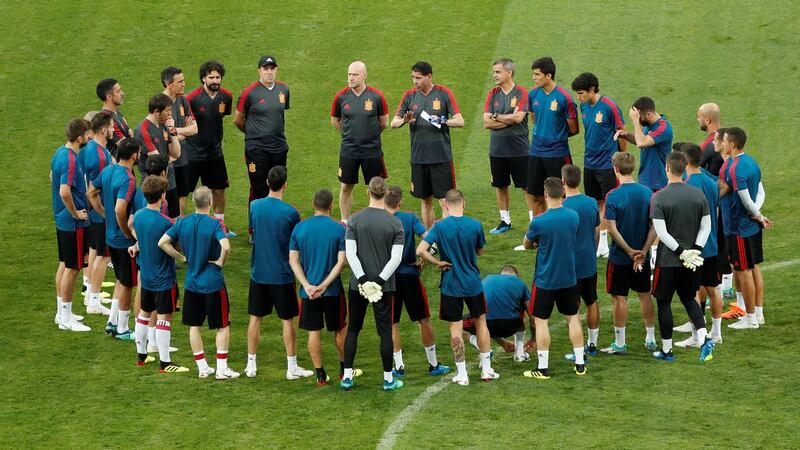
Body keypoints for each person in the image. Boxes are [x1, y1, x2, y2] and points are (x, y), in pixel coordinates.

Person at [417, 189, 499, 386]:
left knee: (455, 328)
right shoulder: (475, 224)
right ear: (464, 203)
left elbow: (420, 250)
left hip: (451, 283)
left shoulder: (440, 227)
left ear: (445, 205)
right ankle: (486, 370)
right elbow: (480, 250)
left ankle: (462, 374)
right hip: (473, 282)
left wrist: (437, 263)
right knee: (481, 322)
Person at [159, 187, 237, 379]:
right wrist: (220, 262)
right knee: (222, 325)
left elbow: (162, 242)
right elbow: (226, 247)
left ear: (194, 202)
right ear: (210, 203)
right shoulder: (216, 224)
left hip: (192, 282)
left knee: (194, 325)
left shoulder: (182, 222)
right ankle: (221, 369)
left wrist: (181, 258)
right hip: (213, 283)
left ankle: (202, 367)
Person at [245, 166, 313, 380]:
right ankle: (291, 367)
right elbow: (298, 243)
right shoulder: (291, 213)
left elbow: (253, 232)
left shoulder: (254, 206)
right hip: (282, 275)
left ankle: (251, 365)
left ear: (267, 182)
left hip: (259, 272)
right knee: (287, 321)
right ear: (285, 184)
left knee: (255, 318)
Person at [650, 151, 715, 362]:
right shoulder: (698, 194)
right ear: (685, 167)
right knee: (689, 298)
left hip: (668, 261)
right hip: (694, 260)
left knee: (664, 303)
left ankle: (667, 350)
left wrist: (681, 252)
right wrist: (694, 249)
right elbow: (706, 226)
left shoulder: (659, 197)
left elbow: (661, 233)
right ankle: (705, 339)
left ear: (667, 169)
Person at [342, 177, 405, 391]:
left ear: (368, 193)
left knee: (353, 329)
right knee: (385, 332)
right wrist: (377, 282)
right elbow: (395, 259)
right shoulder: (395, 223)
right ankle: (388, 379)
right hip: (384, 288)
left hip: (357, 286)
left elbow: (351, 254)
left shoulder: (354, 220)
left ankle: (347, 376)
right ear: (386, 194)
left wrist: (362, 281)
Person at [518, 178, 585, 379]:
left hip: (545, 279)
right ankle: (580, 363)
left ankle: (543, 367)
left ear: (546, 195)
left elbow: (527, 244)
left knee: (541, 321)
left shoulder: (539, 221)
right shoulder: (573, 216)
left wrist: (539, 241)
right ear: (563, 193)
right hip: (568, 278)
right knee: (573, 318)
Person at [384, 185, 450, 377]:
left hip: (388, 278)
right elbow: (431, 242)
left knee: (392, 322)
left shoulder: (379, 220)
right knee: (423, 319)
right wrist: (425, 257)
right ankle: (433, 364)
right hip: (410, 276)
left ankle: (399, 366)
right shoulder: (409, 218)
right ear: (400, 202)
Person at [391, 61, 465, 229]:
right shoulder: (409, 96)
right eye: (413, 78)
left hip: (440, 157)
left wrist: (444, 121)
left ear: (429, 76)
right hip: (419, 157)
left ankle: (445, 237)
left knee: (444, 201)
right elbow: (393, 123)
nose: (415, 82)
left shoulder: (444, 93)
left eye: (418, 78)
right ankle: (431, 238)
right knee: (425, 201)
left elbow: (460, 121)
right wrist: (404, 120)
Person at [288, 189, 349, 385]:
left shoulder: (299, 228)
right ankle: (344, 369)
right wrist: (323, 285)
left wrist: (307, 285)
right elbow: (341, 262)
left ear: (314, 204)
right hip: (332, 291)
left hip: (309, 293)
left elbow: (293, 260)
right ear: (331, 206)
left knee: (313, 332)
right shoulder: (339, 229)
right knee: (339, 329)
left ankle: (320, 374)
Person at [130, 175, 188, 373]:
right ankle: (165, 362)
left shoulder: (138, 216)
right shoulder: (166, 222)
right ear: (163, 195)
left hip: (145, 275)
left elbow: (138, 233)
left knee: (144, 315)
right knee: (164, 318)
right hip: (163, 278)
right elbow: (174, 243)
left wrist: (136, 245)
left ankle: (141, 356)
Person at [602, 152, 657, 354]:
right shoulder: (648, 193)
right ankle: (650, 339)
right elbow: (654, 227)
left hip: (619, 258)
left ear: (615, 169)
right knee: (645, 296)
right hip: (643, 257)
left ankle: (620, 342)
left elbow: (612, 229)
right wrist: (642, 251)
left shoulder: (613, 195)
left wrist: (629, 251)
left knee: (619, 298)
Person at [87, 139, 141, 340]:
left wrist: (103, 213)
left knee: (120, 279)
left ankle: (112, 322)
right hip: (122, 240)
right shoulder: (128, 178)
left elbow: (91, 192)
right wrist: (126, 231)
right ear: (134, 155)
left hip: (110, 235)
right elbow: (120, 209)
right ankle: (122, 328)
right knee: (127, 283)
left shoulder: (108, 170)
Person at [720, 127, 771, 329]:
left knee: (743, 271)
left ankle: (750, 318)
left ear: (732, 145)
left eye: (724, 141)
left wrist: (758, 215)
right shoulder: (752, 162)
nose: (722, 143)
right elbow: (760, 192)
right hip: (750, 226)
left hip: (738, 227)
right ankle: (757, 314)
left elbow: (745, 198)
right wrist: (757, 214)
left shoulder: (734, 168)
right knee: (753, 267)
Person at [570, 72, 626, 257]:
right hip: (589, 163)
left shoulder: (609, 106)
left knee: (608, 203)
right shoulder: (584, 106)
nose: (579, 97)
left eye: (581, 93)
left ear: (592, 89)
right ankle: (599, 241)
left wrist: (621, 157)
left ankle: (603, 244)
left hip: (607, 164)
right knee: (595, 202)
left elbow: (622, 132)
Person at [234, 55, 290, 239]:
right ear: (259, 70)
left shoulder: (284, 89)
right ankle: (254, 229)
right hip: (256, 149)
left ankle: (274, 224)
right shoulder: (249, 92)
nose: (269, 72)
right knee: (258, 187)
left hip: (279, 146)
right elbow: (238, 120)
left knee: (277, 187)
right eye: (266, 68)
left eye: (272, 68)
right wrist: (253, 134)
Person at [673, 144, 723, 347]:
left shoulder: (690, 184)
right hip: (711, 244)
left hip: (695, 247)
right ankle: (717, 333)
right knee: (712, 288)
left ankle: (696, 336)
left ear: (684, 161)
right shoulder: (710, 181)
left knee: (692, 290)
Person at [331, 61, 389, 223]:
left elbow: (384, 122)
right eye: (349, 74)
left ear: (364, 75)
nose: (350, 78)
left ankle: (378, 219)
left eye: (355, 75)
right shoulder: (340, 97)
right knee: (346, 187)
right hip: (349, 151)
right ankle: (345, 221)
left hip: (371, 151)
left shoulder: (376, 96)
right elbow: (335, 120)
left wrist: (370, 136)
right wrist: (349, 135)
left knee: (377, 187)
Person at [525, 57, 579, 217]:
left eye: (537, 74)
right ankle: (539, 232)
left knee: (559, 196)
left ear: (548, 76)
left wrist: (556, 136)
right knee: (535, 195)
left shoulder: (564, 98)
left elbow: (574, 129)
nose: (533, 78)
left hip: (557, 154)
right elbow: (535, 119)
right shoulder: (533, 94)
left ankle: (558, 228)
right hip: (536, 152)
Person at [185, 61, 234, 233]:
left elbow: (221, 116)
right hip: (193, 153)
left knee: (219, 190)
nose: (215, 81)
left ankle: (219, 223)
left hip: (215, 153)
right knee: (185, 193)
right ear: (203, 78)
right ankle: (183, 227)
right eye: (211, 77)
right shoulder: (191, 98)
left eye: (218, 77)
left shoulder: (226, 97)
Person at [51, 118, 91, 332]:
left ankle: (61, 312)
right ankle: (66, 318)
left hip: (61, 218)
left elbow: (52, 177)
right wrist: (76, 213)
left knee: (64, 264)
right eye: (86, 134)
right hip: (72, 222)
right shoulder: (71, 159)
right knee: (73, 267)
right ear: (79, 138)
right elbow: (64, 191)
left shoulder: (59, 152)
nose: (88, 137)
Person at [482, 58, 529, 234]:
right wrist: (508, 119)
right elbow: (486, 122)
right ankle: (505, 221)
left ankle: (533, 222)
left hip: (519, 149)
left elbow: (518, 119)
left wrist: (497, 116)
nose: (494, 75)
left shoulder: (522, 93)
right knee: (500, 186)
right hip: (497, 150)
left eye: (498, 72)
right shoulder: (492, 94)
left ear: (509, 73)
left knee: (527, 186)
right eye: (494, 72)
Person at [561, 165, 602, 357]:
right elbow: (596, 231)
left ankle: (578, 349)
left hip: (570, 265)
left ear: (563, 182)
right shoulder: (592, 202)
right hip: (588, 261)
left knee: (572, 308)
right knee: (591, 301)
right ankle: (593, 344)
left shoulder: (562, 207)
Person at [79, 111, 115, 316]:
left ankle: (90, 294)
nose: (113, 130)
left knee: (94, 251)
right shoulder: (100, 156)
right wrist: (104, 213)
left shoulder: (90, 149)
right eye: (111, 127)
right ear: (104, 129)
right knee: (103, 255)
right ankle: (94, 299)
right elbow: (93, 190)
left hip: (92, 212)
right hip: (98, 213)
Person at [462, 266, 533, 363]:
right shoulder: (519, 283)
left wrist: (503, 343)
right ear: (516, 276)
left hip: (486, 324)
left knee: (458, 326)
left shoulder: (486, 279)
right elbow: (533, 316)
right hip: (512, 325)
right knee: (521, 311)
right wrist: (533, 339)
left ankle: (484, 348)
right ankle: (519, 354)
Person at [135, 93, 181, 218]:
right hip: (154, 185)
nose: (170, 114)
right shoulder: (143, 129)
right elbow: (157, 161)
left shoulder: (164, 125)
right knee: (159, 221)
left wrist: (172, 131)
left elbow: (177, 153)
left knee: (175, 219)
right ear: (156, 112)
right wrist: (168, 159)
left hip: (169, 180)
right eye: (167, 111)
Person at [160, 66, 198, 216]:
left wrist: (176, 131)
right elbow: (164, 133)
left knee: (183, 192)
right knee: (169, 193)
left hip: (182, 156)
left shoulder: (183, 99)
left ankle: (180, 225)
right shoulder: (160, 103)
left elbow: (195, 128)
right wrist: (181, 132)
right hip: (168, 158)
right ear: (169, 84)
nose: (184, 84)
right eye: (180, 81)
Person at [615, 96, 673, 192]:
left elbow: (642, 143)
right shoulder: (649, 125)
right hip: (645, 180)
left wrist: (635, 121)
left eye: (639, 117)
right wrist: (626, 136)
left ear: (649, 114)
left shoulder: (663, 127)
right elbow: (641, 139)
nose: (639, 120)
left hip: (658, 182)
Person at [96, 78, 133, 158]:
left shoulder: (116, 112)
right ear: (109, 96)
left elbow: (130, 134)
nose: (122, 93)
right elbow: (126, 146)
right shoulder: (106, 120)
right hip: (117, 165)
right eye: (118, 91)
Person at [696, 103, 724, 178]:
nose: (698, 120)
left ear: (707, 120)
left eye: (699, 117)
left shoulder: (709, 143)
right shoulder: (728, 137)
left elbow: (694, 167)